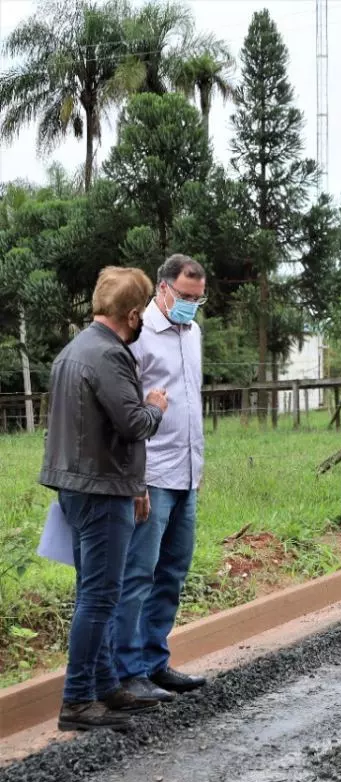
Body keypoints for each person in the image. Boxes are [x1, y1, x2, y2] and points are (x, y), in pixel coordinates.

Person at [39, 266, 169, 732]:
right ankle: (77, 700)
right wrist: (155, 405)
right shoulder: (110, 357)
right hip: (100, 490)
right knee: (99, 596)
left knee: (93, 592)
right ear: (133, 315)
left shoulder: (72, 351)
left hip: (77, 486)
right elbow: (133, 424)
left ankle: (104, 684)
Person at [114, 255, 209, 702]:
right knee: (138, 575)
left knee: (172, 572)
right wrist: (135, 481)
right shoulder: (139, 338)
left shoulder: (193, 333)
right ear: (163, 289)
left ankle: (154, 662)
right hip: (151, 475)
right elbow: (128, 414)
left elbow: (192, 402)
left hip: (186, 474)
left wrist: (198, 467)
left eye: (198, 297)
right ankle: (127, 671)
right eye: (185, 296)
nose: (192, 304)